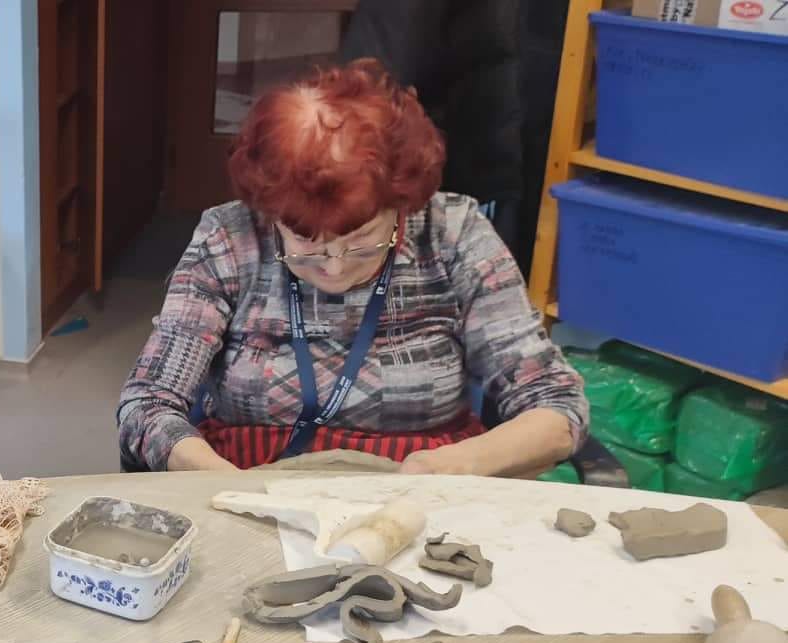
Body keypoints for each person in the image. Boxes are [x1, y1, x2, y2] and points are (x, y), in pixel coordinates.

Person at [117, 60, 586, 476]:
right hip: (247, 481)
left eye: (362, 241)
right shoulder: (229, 238)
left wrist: (456, 466)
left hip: (425, 489)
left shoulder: (452, 234)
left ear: (402, 201)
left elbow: (556, 404)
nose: (336, 268)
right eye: (306, 243)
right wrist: (216, 480)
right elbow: (148, 404)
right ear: (269, 211)